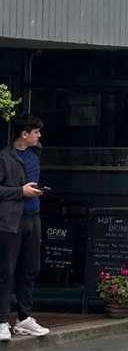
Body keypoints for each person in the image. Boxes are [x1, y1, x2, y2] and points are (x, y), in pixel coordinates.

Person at [0, 114, 49, 340]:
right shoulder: (4, 157)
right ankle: (1, 321)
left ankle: (24, 318)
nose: (39, 136)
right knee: (6, 271)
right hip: (10, 221)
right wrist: (20, 191)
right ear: (24, 134)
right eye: (35, 132)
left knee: (30, 269)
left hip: (33, 218)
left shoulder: (35, 152)